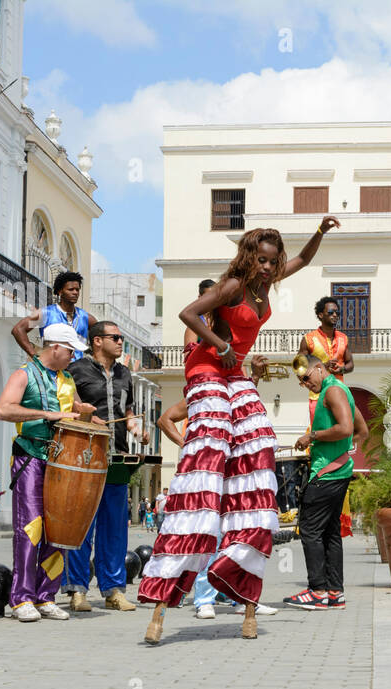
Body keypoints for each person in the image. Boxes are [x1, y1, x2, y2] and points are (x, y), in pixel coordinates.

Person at [138, 217, 339, 643]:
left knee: (259, 442)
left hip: (236, 373)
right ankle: (171, 584)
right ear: (250, 258)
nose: (267, 268)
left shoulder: (269, 283)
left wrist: (320, 232)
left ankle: (237, 571)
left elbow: (303, 259)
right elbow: (187, 313)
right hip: (208, 369)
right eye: (261, 260)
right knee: (211, 442)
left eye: (272, 261)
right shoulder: (231, 286)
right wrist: (224, 346)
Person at [0, 324, 99, 623]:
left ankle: (46, 596)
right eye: (70, 351)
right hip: (31, 456)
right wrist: (46, 414)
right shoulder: (23, 374)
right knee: (31, 528)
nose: (73, 357)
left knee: (58, 529)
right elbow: (4, 410)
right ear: (54, 347)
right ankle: (22, 597)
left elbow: (77, 412)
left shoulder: (67, 380)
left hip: (61, 461)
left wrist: (90, 414)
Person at [156, 398, 279, 618]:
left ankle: (242, 597)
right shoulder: (204, 395)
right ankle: (204, 599)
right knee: (209, 535)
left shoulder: (242, 396)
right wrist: (188, 446)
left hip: (239, 478)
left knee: (241, 535)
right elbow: (165, 420)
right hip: (209, 477)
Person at [61, 321, 144, 613]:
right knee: (82, 524)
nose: (121, 342)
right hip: (84, 454)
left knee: (115, 528)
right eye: (116, 338)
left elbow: (128, 409)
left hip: (117, 456)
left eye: (122, 338)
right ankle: (77, 590)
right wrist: (83, 415)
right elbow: (65, 404)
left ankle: (113, 590)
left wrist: (134, 426)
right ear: (97, 341)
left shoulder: (124, 373)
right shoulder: (76, 370)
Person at [282, 357, 369, 609]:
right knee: (330, 533)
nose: (305, 383)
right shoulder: (341, 391)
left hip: (327, 474)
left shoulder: (332, 390)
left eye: (307, 377)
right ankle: (334, 593)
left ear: (319, 368)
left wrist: (313, 436)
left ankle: (317, 591)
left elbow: (345, 428)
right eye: (301, 382)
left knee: (309, 530)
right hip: (338, 469)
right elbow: (360, 431)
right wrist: (343, 452)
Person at [297, 296, 354, 424]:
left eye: (337, 313)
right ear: (321, 315)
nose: (335, 315)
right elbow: (299, 367)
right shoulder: (309, 339)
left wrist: (342, 369)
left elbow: (350, 364)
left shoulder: (343, 338)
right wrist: (323, 367)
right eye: (331, 312)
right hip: (317, 397)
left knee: (343, 432)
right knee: (319, 435)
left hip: (340, 394)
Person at [12, 271, 92, 362]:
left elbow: (101, 338)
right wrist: (34, 356)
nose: (75, 293)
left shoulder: (86, 318)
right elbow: (18, 329)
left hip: (77, 371)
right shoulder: (45, 314)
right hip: (52, 369)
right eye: (71, 289)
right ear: (60, 291)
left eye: (77, 290)